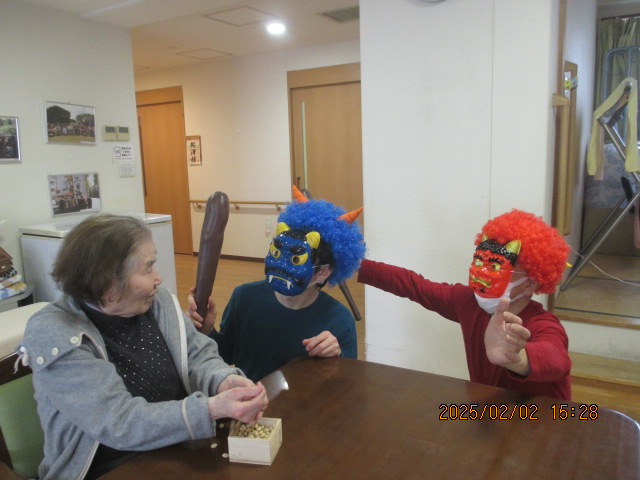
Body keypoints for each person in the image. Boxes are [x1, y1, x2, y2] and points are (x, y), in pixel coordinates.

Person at [19, 214, 268, 480]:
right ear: (107, 284)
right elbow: (118, 422)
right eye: (148, 268)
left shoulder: (157, 302)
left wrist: (223, 381)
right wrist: (210, 409)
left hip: (175, 448)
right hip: (106, 468)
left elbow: (197, 356)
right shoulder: (55, 331)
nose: (158, 278)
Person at [357, 209, 572, 400]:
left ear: (530, 284)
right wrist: (355, 264)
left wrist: (517, 358)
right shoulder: (468, 302)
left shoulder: (543, 324)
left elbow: (557, 360)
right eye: (479, 261)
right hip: (489, 416)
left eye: (495, 267)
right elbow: (414, 285)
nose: (482, 273)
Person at [190, 186, 366, 382]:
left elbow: (347, 384)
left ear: (324, 271)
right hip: (250, 399)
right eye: (277, 253)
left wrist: (336, 356)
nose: (281, 266)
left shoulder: (339, 320)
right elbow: (225, 355)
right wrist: (207, 330)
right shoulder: (244, 298)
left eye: (296, 260)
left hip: (305, 401)